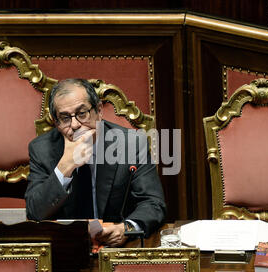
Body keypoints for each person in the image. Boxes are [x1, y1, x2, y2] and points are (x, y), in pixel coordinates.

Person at [25, 78, 166, 247]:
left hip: (119, 248)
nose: (75, 125)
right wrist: (64, 167)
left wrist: (126, 229)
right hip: (67, 250)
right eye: (64, 118)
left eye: (82, 113)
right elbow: (35, 213)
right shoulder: (42, 149)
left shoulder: (130, 143)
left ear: (99, 110)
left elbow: (153, 203)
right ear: (55, 122)